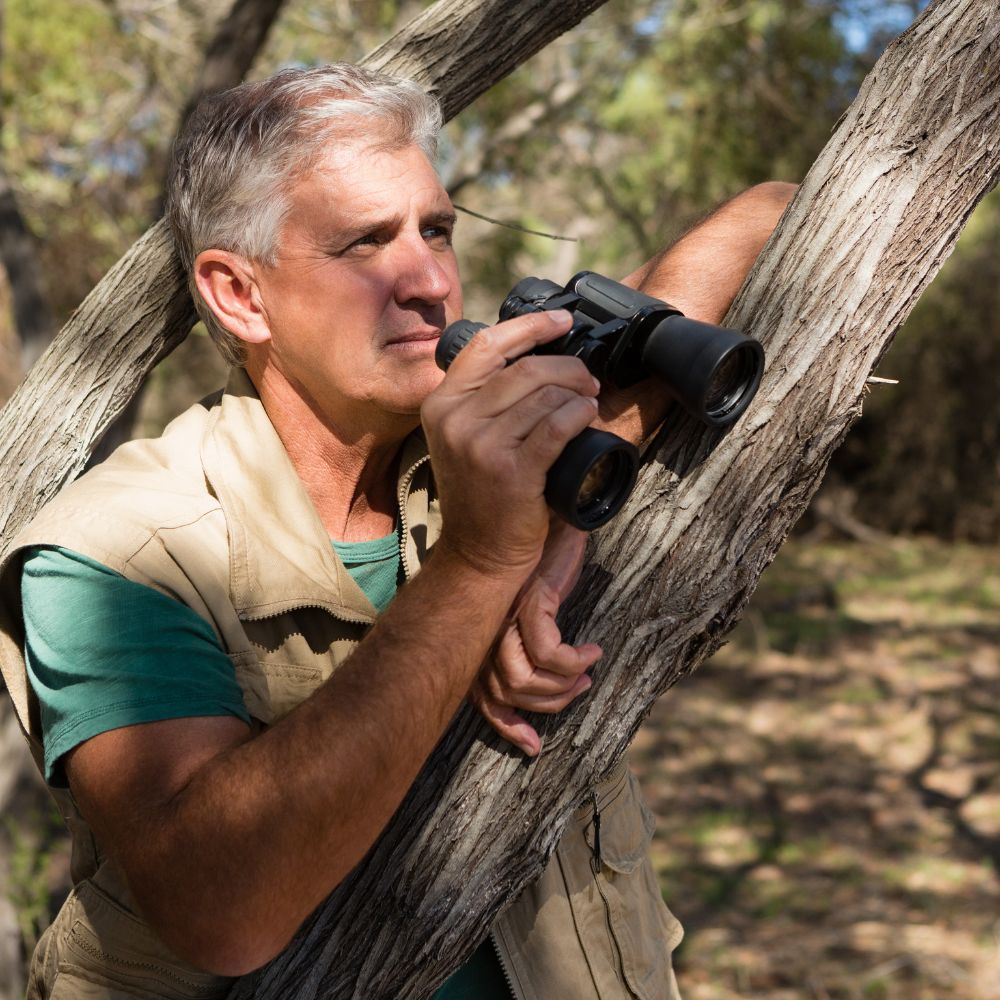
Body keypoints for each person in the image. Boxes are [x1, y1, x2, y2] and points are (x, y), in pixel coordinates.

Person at [0, 64, 795, 999]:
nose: (431, 281)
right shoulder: (118, 545)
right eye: (366, 243)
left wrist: (580, 482)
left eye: (439, 230)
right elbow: (222, 905)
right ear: (239, 295)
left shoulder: (483, 436)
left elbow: (777, 213)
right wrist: (482, 563)